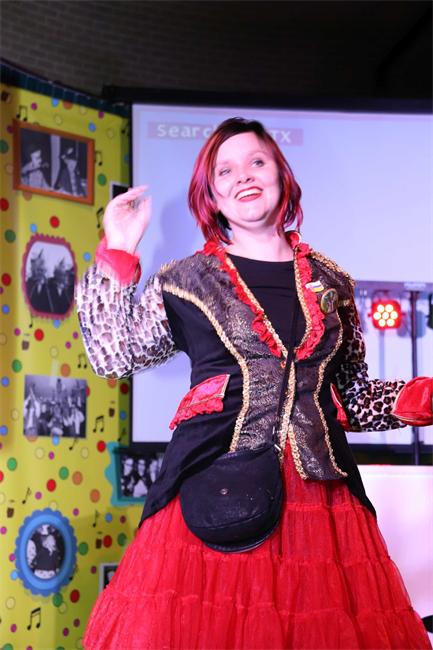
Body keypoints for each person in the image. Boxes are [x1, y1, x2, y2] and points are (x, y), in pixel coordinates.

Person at [76, 118, 433, 649]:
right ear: (212, 195)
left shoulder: (332, 282)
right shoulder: (186, 280)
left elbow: (351, 397)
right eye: (225, 170)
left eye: (257, 162)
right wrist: (119, 247)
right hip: (214, 488)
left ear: (281, 176)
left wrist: (418, 398)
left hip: (323, 507)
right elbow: (113, 353)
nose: (243, 176)